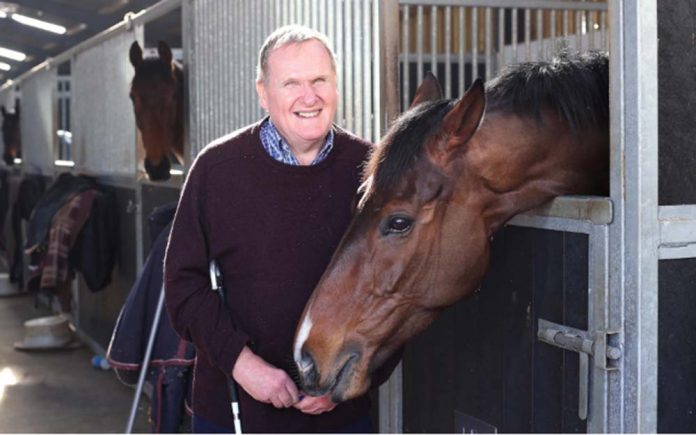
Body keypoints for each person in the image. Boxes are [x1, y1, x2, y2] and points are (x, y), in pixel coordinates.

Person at [164, 25, 397, 433]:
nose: (309, 97)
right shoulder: (216, 170)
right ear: (262, 92)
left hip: (341, 418)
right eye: (291, 83)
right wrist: (243, 364)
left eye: (319, 80)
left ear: (336, 85)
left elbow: (401, 287)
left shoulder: (372, 171)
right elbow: (183, 286)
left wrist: (355, 379)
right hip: (233, 414)